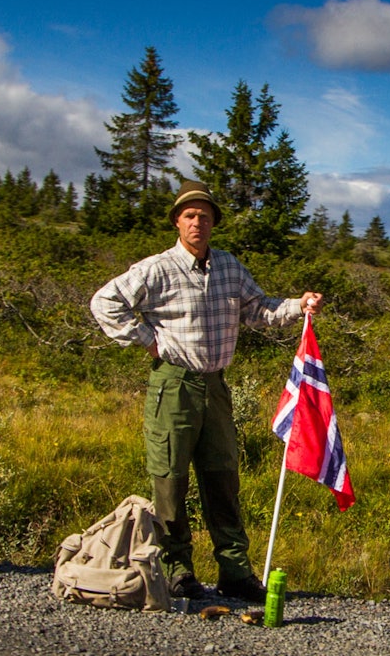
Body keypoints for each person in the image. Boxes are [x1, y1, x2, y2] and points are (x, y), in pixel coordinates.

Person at [89, 180, 323, 602]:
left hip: (216, 386)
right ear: (177, 222)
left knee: (222, 479)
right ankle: (178, 571)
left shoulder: (230, 267)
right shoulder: (156, 268)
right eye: (190, 215)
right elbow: (105, 302)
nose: (198, 222)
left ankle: (235, 571)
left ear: (214, 222)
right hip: (173, 384)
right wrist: (148, 339)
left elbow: (259, 309)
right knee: (171, 480)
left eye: (205, 216)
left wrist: (298, 305)